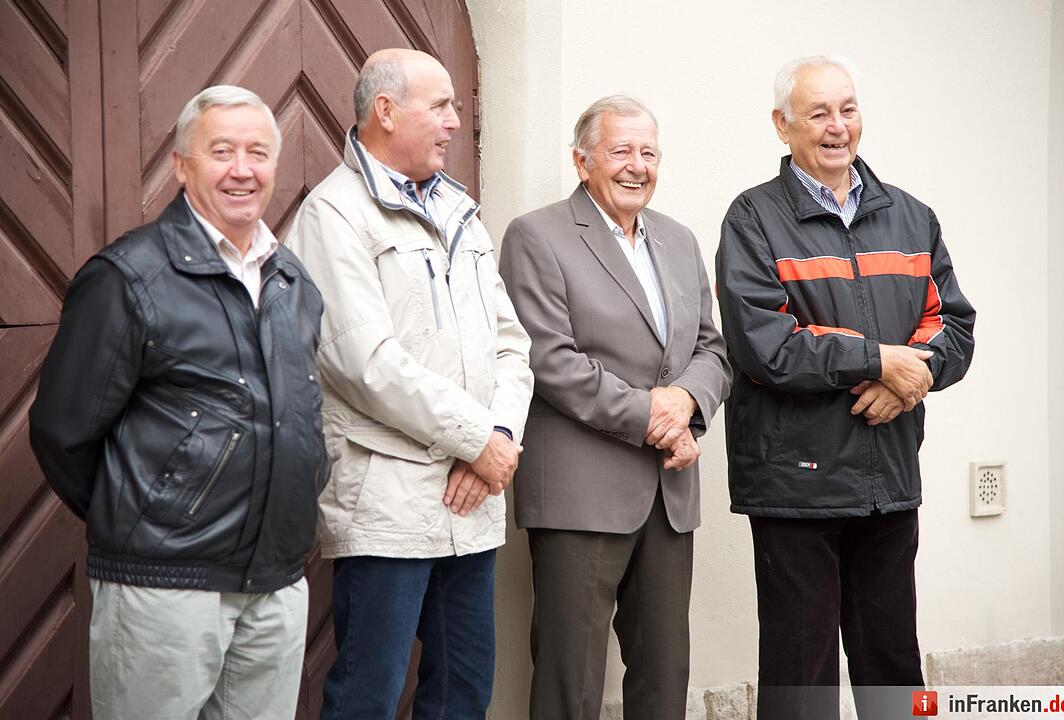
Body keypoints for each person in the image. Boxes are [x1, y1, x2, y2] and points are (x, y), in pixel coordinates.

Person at [28, 85, 328, 720]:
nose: (242, 169)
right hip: (163, 585)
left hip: (275, 580)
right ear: (181, 164)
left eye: (257, 153)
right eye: (221, 151)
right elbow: (62, 431)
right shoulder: (130, 276)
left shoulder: (293, 281)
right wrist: (144, 514)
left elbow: (299, 414)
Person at [715, 56, 976, 720]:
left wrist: (907, 381)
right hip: (794, 484)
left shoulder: (911, 217)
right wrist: (876, 362)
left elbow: (950, 325)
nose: (837, 128)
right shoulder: (752, 220)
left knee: (893, 667)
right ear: (782, 125)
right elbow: (762, 346)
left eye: (848, 109)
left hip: (885, 473)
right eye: (818, 113)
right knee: (800, 680)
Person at [286, 48, 533, 720]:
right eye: (441, 105)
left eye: (457, 105)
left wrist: (499, 439)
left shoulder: (460, 212)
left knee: (462, 692)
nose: (455, 121)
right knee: (367, 692)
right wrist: (477, 437)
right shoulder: (333, 214)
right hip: (387, 506)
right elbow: (362, 361)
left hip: (471, 502)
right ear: (385, 111)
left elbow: (511, 343)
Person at [499, 95, 732, 720]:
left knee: (663, 679)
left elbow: (711, 347)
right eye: (621, 151)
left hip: (670, 494)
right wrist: (656, 420)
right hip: (581, 495)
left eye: (649, 152)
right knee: (568, 683)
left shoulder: (680, 241)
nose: (638, 166)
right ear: (582, 162)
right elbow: (550, 361)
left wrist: (685, 401)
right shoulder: (536, 236)